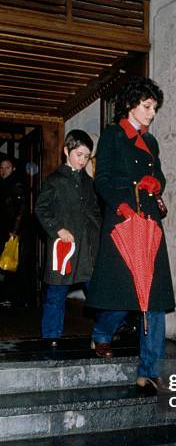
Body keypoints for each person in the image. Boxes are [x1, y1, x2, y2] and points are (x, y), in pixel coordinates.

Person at [87, 77, 175, 392]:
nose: (152, 113)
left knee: (153, 297)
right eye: (147, 106)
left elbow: (158, 174)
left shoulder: (151, 142)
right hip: (123, 220)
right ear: (131, 104)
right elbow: (103, 178)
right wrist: (122, 204)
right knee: (122, 296)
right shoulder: (112, 136)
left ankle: (150, 369)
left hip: (149, 222)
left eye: (154, 107)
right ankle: (101, 333)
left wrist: (156, 183)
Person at [35, 130, 101, 347]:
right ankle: (50, 339)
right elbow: (41, 209)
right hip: (64, 249)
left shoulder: (88, 182)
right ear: (66, 151)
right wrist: (58, 230)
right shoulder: (54, 180)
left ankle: (103, 337)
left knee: (100, 293)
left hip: (88, 249)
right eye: (79, 155)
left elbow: (95, 211)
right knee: (56, 295)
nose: (82, 161)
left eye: (86, 156)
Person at [0, 157, 28, 307]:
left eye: (7, 168)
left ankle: (12, 297)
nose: (4, 171)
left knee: (11, 263)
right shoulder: (3, 184)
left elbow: (21, 210)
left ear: (13, 169)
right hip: (3, 229)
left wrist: (14, 230)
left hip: (11, 231)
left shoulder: (16, 185)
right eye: (1, 168)